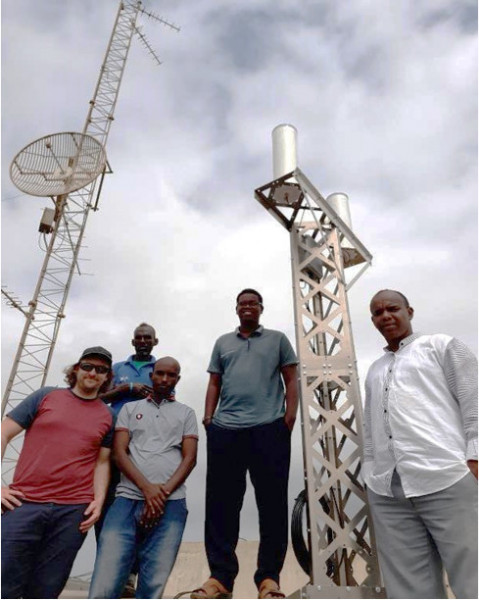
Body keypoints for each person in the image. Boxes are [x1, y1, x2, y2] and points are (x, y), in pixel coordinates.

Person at [362, 289, 478, 599]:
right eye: (377, 312)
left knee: (473, 576)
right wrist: (371, 473)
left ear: (409, 311)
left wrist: (475, 455)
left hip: (447, 478)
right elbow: (369, 429)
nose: (385, 316)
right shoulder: (374, 369)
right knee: (409, 587)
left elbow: (473, 399)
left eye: (392, 308)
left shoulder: (440, 346)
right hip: (389, 491)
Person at [192, 289, 299, 600]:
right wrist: (209, 418)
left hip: (269, 428)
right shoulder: (223, 343)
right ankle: (220, 578)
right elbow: (214, 381)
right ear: (236, 310)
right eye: (242, 303)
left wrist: (288, 417)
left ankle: (268, 579)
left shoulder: (277, 339)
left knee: (273, 504)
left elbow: (291, 378)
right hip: (226, 429)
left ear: (261, 308)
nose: (247, 307)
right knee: (221, 505)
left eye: (253, 303)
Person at [1, 346, 114, 599]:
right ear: (76, 368)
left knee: (46, 590)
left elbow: (102, 462)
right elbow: (4, 432)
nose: (93, 372)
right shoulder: (45, 396)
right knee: (3, 583)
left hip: (73, 513)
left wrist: (98, 500)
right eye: (87, 366)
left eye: (101, 369)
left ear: (107, 377)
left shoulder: (108, 416)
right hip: (23, 503)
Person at [89, 356, 198, 599]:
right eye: (160, 373)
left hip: (171, 504)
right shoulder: (129, 409)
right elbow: (119, 453)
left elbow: (189, 458)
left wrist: (162, 494)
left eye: (171, 375)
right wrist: (148, 489)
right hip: (127, 499)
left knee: (152, 585)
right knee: (105, 582)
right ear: (151, 376)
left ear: (177, 380)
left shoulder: (186, 413)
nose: (164, 379)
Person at [95, 322, 159, 536]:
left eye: (147, 338)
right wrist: (127, 388)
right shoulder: (117, 369)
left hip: (145, 440)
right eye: (139, 338)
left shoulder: (160, 368)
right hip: (113, 438)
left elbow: (170, 400)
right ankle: (104, 547)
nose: (143, 341)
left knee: (140, 492)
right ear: (132, 341)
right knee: (108, 493)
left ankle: (133, 563)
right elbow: (97, 399)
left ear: (155, 342)